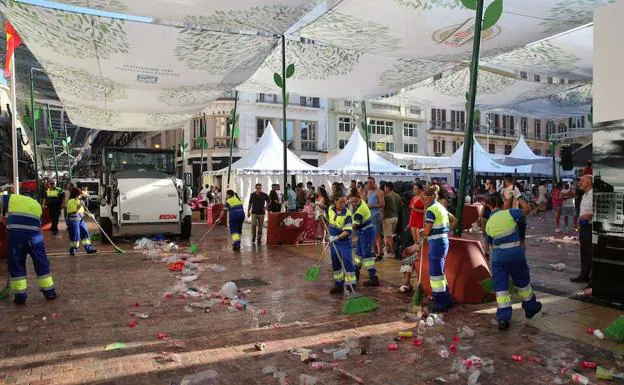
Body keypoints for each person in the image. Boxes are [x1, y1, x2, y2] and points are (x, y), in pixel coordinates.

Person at [484, 192, 542, 331]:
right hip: (516, 255)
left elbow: (488, 245)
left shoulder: (488, 223)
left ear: (488, 205)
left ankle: (503, 318)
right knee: (523, 283)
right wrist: (519, 196)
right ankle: (531, 307)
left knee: (501, 288)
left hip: (499, 258)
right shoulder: (511, 213)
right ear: (503, 201)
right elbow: (527, 210)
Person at [3, 192, 57, 305]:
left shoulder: (10, 198)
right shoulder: (36, 205)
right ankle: (49, 292)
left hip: (16, 235)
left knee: (17, 262)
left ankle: (20, 296)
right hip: (35, 235)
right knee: (41, 261)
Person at [422, 185, 457, 313]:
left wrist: (423, 232)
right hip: (443, 241)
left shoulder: (431, 210)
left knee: (435, 274)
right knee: (440, 272)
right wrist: (445, 230)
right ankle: (446, 298)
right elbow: (454, 220)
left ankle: (440, 302)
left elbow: (426, 232)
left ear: (430, 197)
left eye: (423, 197)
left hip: (436, 243)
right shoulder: (441, 207)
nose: (422, 199)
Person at [327, 191, 356, 294]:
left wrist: (336, 237)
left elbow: (348, 231)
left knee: (347, 262)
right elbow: (329, 220)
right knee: (335, 263)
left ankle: (351, 285)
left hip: (344, 242)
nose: (343, 204)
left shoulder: (347, 213)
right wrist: (320, 214)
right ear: (335, 201)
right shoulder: (330, 209)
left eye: (345, 202)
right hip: (333, 243)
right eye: (341, 202)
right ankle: (339, 284)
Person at [349, 188, 379, 286]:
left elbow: (354, 226)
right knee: (358, 254)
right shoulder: (361, 203)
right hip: (363, 232)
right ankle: (356, 271)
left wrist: (342, 227)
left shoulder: (360, 210)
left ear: (359, 198)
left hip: (366, 232)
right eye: (352, 201)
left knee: (366, 255)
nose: (354, 203)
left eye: (355, 201)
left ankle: (373, 277)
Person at [571, 175, 593, 283]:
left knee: (590, 251)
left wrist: (590, 215)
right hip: (583, 225)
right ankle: (584, 274)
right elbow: (582, 212)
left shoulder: (594, 194)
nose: (580, 182)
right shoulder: (584, 195)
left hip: (590, 226)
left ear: (589, 182)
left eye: (583, 181)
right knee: (584, 251)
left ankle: (591, 276)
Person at [66, 187, 97, 256]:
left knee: (85, 234)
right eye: (79, 194)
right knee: (75, 236)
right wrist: (80, 205)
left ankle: (89, 249)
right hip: (73, 221)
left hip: (80, 220)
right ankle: (73, 250)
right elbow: (74, 211)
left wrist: (89, 214)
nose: (80, 195)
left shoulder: (78, 200)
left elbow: (81, 211)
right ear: (76, 194)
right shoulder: (71, 201)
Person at [366, 177, 384, 260]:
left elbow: (382, 204)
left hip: (376, 215)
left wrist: (371, 206)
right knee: (371, 234)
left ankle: (379, 253)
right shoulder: (368, 191)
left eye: (371, 182)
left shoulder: (379, 192)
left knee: (377, 235)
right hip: (369, 215)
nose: (369, 184)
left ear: (374, 182)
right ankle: (373, 252)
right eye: (368, 182)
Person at [382, 182, 401, 259]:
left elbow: (382, 206)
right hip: (395, 217)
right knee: (389, 235)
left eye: (385, 187)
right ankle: (387, 250)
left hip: (388, 218)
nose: (384, 189)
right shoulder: (397, 195)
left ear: (387, 188)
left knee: (389, 236)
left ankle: (392, 253)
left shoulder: (386, 196)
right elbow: (401, 205)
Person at [480, 179, 498, 259]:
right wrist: (480, 217)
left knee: (489, 236)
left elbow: (497, 209)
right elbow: (483, 207)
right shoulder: (486, 194)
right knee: (485, 236)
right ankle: (487, 252)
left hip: (492, 218)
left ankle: (487, 252)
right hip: (484, 217)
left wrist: (488, 205)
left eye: (487, 184)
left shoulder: (497, 195)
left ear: (491, 185)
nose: (485, 185)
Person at [408, 182, 425, 246]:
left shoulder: (423, 198)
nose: (414, 190)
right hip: (413, 219)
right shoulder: (413, 198)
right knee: (415, 240)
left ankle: (419, 253)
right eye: (413, 189)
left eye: (416, 189)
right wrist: (409, 222)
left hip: (420, 219)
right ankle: (416, 254)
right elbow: (411, 211)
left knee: (419, 239)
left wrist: (416, 209)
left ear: (420, 190)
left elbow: (426, 211)